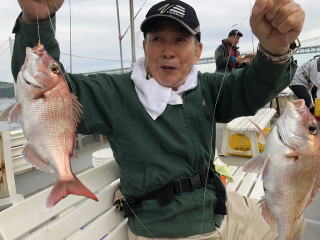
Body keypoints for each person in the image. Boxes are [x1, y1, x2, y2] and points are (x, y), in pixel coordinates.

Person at [12, 0, 305, 239]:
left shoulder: (207, 87)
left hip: (219, 207)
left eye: (180, 40)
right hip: (170, 229)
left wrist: (275, 50)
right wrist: (36, 21)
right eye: (157, 39)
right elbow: (51, 89)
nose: (168, 50)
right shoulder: (115, 92)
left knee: (294, 224)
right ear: (144, 46)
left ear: (198, 50)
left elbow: (253, 86)